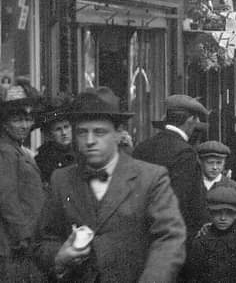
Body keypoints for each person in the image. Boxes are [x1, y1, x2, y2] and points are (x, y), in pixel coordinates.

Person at [35, 88, 185, 282]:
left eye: (99, 132)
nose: (90, 141)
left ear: (118, 133)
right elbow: (43, 241)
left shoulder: (151, 178)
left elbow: (169, 239)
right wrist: (58, 256)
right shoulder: (61, 179)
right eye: (82, 132)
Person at [0, 83, 47, 282]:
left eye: (28, 119)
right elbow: (7, 199)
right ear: (4, 123)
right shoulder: (4, 150)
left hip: (9, 243)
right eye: (17, 120)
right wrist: (24, 237)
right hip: (6, 246)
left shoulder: (14, 148)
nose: (24, 125)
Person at [131, 94, 210, 247]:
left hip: (141, 236)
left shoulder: (142, 147)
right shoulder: (185, 153)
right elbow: (183, 200)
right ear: (190, 120)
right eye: (196, 120)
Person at [35, 94, 77, 186]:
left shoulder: (80, 152)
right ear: (50, 134)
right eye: (58, 129)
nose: (64, 133)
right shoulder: (43, 159)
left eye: (66, 127)